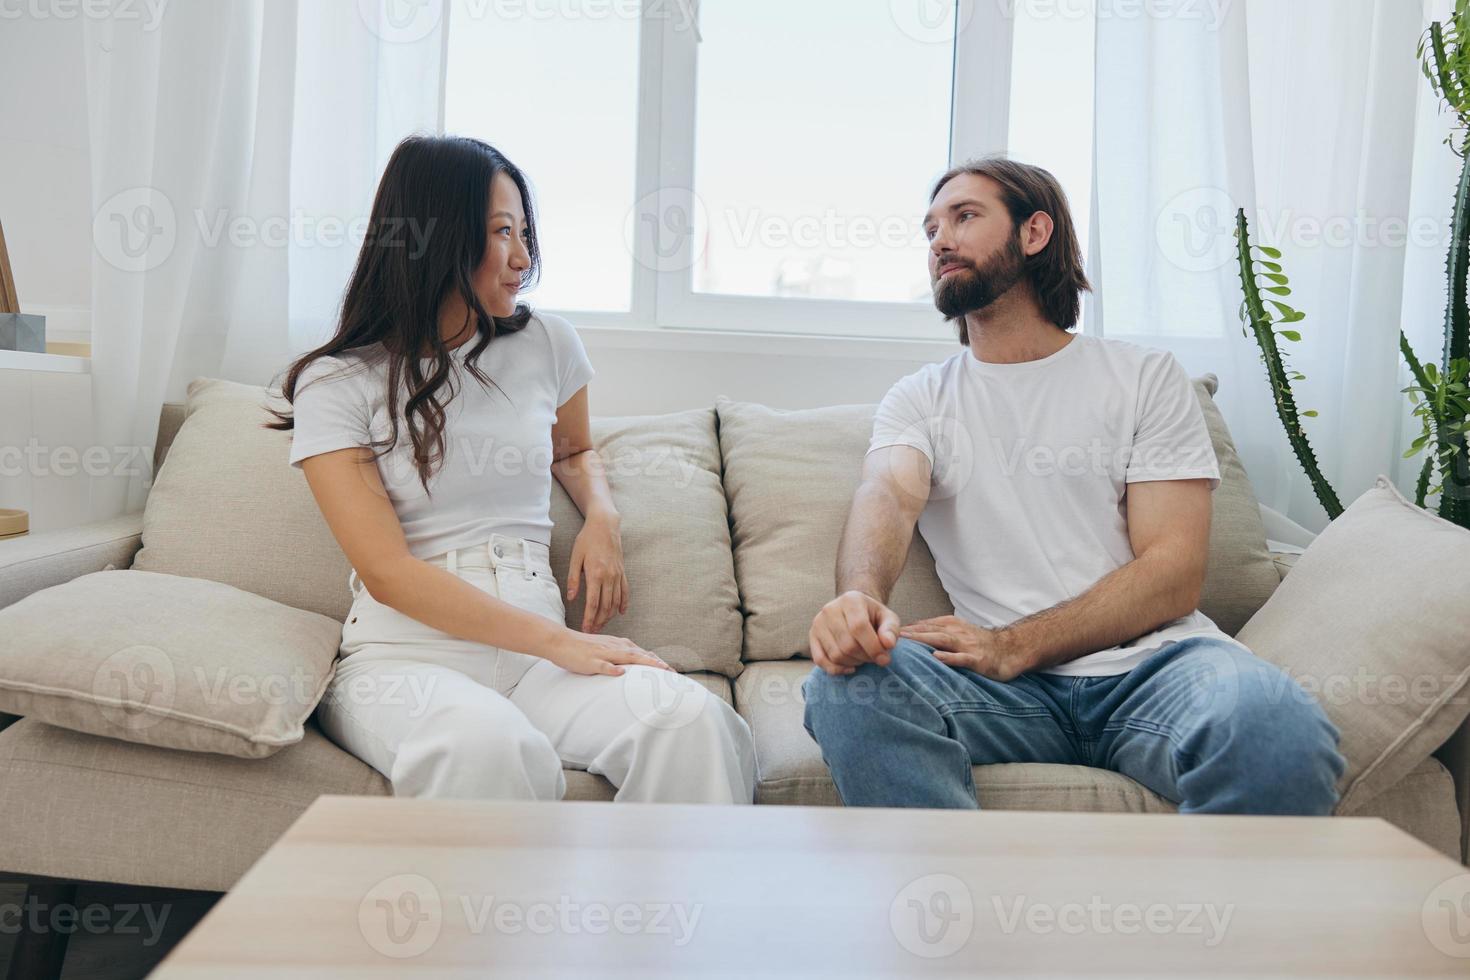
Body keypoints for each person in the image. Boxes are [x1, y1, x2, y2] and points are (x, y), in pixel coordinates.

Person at [802, 157, 1344, 814]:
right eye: (930, 229)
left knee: (1276, 726)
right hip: (996, 693)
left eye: (965, 217)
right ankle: (949, 904)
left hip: (1152, 670)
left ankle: (1211, 916)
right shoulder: (921, 398)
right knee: (847, 686)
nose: (940, 240)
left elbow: (1172, 571)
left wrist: (1013, 645)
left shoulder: (1143, 377)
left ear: (1035, 233)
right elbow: (886, 494)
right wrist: (858, 599)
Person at [267, 134, 755, 804]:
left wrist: (603, 519)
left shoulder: (546, 342)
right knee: (485, 745)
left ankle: (662, 913)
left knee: (690, 721)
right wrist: (561, 645)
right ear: (437, 237)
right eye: (502, 232)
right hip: (408, 656)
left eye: (525, 231)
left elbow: (573, 450)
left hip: (535, 652)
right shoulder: (337, 382)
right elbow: (387, 571)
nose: (524, 258)